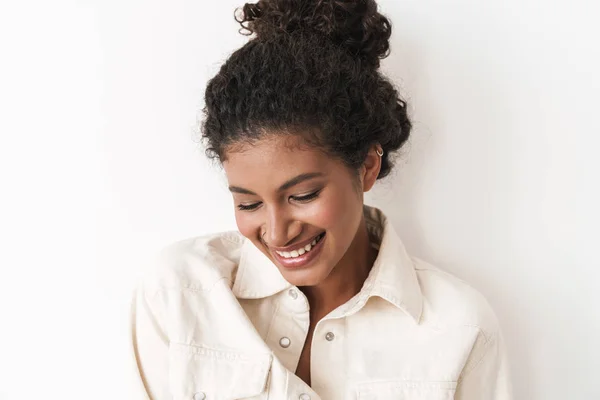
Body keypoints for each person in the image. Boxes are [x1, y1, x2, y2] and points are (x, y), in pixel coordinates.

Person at [130, 0, 512, 399]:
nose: (277, 234)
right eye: (249, 204)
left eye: (303, 195)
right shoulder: (180, 293)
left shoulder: (459, 329)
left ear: (366, 165)